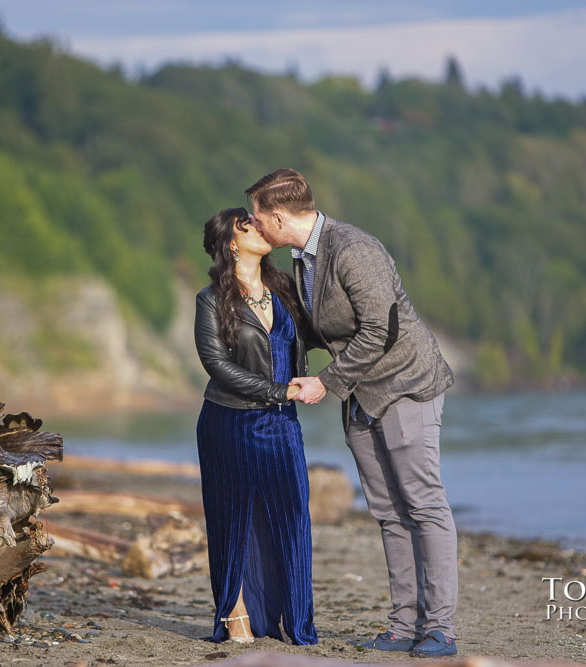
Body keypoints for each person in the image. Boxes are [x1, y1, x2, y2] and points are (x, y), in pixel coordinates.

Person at [246, 169, 459, 658]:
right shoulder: (303, 259)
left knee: (423, 503)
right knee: (386, 511)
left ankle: (441, 629)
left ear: (279, 216)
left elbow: (380, 330)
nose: (256, 225)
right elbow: (316, 331)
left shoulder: (352, 248)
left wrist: (327, 382)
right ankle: (405, 624)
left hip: (406, 385)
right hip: (360, 394)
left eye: (258, 217)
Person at [193, 207, 318, 645]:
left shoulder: (283, 288)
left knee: (291, 519)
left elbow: (317, 332)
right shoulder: (210, 299)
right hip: (228, 423)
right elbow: (217, 366)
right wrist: (280, 391)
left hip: (282, 426)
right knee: (232, 520)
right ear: (232, 240)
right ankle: (235, 614)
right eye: (249, 224)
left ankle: (292, 619)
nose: (261, 227)